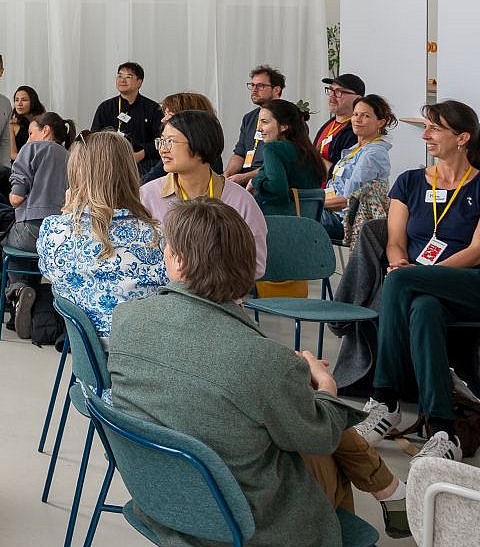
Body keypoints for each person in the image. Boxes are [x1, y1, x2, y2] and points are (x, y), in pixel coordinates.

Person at [110, 199, 405, 547]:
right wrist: (325, 387)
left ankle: (391, 493)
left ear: (179, 261)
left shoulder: (127, 319)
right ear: (247, 268)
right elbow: (320, 437)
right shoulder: (265, 361)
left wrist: (288, 373)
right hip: (248, 524)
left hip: (162, 501)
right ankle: (390, 495)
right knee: (327, 433)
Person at [359, 100, 480, 462]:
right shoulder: (410, 182)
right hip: (424, 289)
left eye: (434, 128)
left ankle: (384, 399)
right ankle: (444, 430)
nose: (425, 135)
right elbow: (395, 242)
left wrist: (415, 274)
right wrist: (401, 264)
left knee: (401, 284)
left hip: (478, 285)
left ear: (462, 138)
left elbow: (478, 252)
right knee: (423, 308)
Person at [34, 132, 162, 338]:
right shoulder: (157, 237)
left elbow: (49, 272)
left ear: (76, 175)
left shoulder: (54, 231)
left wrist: (69, 212)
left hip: (87, 358)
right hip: (143, 357)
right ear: (129, 172)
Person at [140, 110, 269, 277]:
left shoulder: (240, 200)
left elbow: (255, 265)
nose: (163, 150)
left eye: (171, 141)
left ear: (200, 144)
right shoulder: (147, 196)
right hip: (166, 295)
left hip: (220, 296)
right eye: (162, 141)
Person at [321, 95, 395, 239]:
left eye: (365, 116)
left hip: (344, 220)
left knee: (296, 217)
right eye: (355, 114)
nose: (357, 119)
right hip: (332, 210)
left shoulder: (373, 153)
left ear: (380, 122)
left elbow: (348, 200)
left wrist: (315, 203)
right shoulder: (357, 148)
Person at [249, 98, 330, 218]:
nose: (259, 128)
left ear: (284, 126)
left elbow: (277, 190)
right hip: (308, 229)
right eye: (259, 122)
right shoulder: (310, 152)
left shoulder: (272, 149)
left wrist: (255, 181)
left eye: (264, 122)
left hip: (278, 226)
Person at [8, 112, 75, 250]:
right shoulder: (71, 157)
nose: (28, 140)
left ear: (46, 130)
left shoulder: (30, 149)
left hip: (31, 229)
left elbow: (16, 199)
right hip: (62, 232)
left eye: (31, 133)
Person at [90, 62, 164, 169]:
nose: (122, 80)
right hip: (110, 162)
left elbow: (161, 140)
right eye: (120, 76)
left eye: (128, 77)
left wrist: (141, 154)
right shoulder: (105, 107)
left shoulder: (153, 108)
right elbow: (95, 137)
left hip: (143, 162)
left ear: (139, 82)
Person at [228, 65, 285, 187]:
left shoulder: (288, 117)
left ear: (276, 90)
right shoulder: (249, 118)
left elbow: (281, 163)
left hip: (267, 181)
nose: (254, 90)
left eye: (260, 86)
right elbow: (239, 154)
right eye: (252, 85)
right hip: (244, 178)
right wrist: (226, 174)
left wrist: (244, 177)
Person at [316, 74, 367, 167]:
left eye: (339, 92)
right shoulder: (331, 123)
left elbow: (345, 173)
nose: (332, 96)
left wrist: (315, 158)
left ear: (358, 99)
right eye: (331, 90)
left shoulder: (357, 130)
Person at [9, 85, 43, 156]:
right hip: (20, 164)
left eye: (24, 100)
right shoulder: (12, 125)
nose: (19, 104)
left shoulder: (42, 122)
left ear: (33, 102)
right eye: (16, 100)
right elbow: (12, 154)